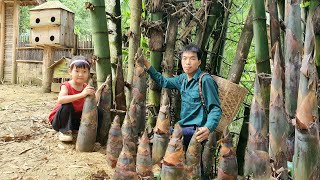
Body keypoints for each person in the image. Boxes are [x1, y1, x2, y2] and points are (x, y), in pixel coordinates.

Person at [144, 44, 222, 148]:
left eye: (192, 59)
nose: (187, 62)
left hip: (196, 130)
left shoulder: (205, 80)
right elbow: (163, 81)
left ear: (199, 62)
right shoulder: (182, 79)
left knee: (161, 137)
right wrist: (146, 64)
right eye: (184, 58)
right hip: (183, 127)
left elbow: (215, 108)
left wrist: (208, 128)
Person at [48, 56, 102, 142]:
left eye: (84, 72)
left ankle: (94, 133)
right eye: (77, 71)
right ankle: (64, 132)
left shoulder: (86, 88)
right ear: (70, 72)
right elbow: (61, 100)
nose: (80, 74)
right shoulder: (66, 85)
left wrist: (99, 92)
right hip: (60, 121)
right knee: (67, 105)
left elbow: (92, 104)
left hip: (75, 120)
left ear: (88, 73)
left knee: (98, 110)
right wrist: (82, 94)